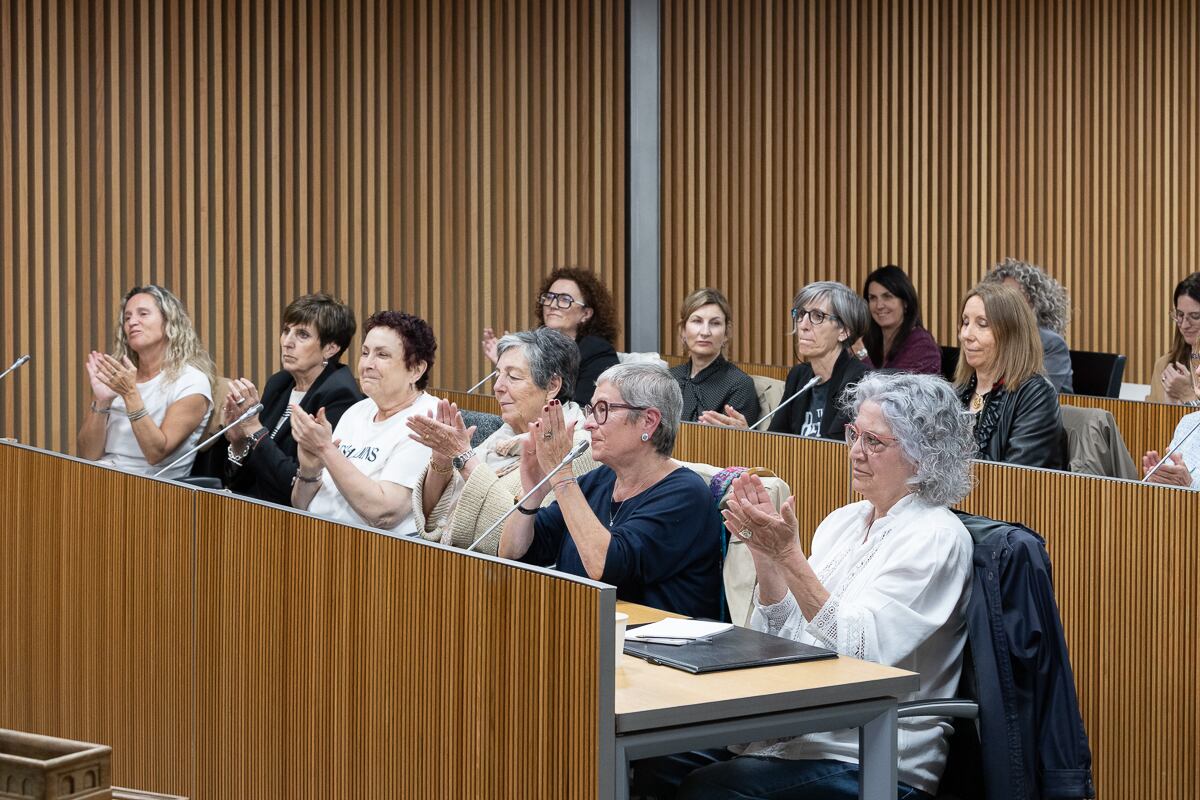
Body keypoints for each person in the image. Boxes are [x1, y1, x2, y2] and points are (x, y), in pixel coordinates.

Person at [640, 372, 975, 800]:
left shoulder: (936, 537)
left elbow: (863, 654)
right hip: (795, 732)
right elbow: (783, 636)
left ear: (923, 454)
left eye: (874, 442)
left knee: (709, 790)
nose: (855, 452)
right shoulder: (845, 521)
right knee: (656, 756)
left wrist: (789, 557)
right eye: (855, 434)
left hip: (871, 753)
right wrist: (765, 557)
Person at [497, 363, 722, 618]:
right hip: (587, 633)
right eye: (591, 410)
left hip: (656, 651)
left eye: (603, 410)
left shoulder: (685, 495)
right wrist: (532, 494)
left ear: (648, 421)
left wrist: (561, 477)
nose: (589, 424)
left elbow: (605, 567)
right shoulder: (600, 480)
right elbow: (513, 553)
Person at [408, 328, 598, 552]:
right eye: (498, 374)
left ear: (552, 386)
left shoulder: (577, 447)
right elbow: (433, 523)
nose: (497, 387)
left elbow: (517, 538)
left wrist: (465, 459)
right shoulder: (500, 438)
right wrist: (441, 462)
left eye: (513, 377)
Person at [290, 311, 440, 537]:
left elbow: (384, 514)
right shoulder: (357, 410)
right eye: (365, 353)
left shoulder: (428, 419)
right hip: (314, 536)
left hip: (371, 552)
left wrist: (325, 450)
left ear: (416, 370)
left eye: (382, 355)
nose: (367, 364)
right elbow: (300, 505)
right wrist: (310, 470)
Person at [218, 294, 362, 506]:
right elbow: (242, 480)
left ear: (331, 348)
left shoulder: (339, 396)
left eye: (302, 335)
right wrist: (239, 442)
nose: (287, 342)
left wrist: (254, 429)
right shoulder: (280, 383)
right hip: (253, 508)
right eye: (286, 331)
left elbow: (297, 484)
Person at [77, 285, 215, 479]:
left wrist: (130, 394)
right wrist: (102, 400)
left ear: (169, 322)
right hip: (100, 479)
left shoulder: (191, 381)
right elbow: (88, 455)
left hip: (148, 492)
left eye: (143, 314)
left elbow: (156, 453)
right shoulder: (120, 377)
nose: (132, 322)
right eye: (127, 317)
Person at [956, 282, 1066, 469]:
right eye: (965, 322)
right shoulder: (958, 391)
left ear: (1011, 334)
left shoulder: (1036, 394)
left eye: (982, 324)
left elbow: (1013, 479)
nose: (966, 334)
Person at [481, 266, 620, 405]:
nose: (553, 305)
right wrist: (508, 362)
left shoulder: (598, 351)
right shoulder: (535, 348)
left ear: (586, 314)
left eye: (565, 299)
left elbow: (584, 406)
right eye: (549, 297)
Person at [667, 287, 761, 426]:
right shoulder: (668, 378)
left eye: (715, 323)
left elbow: (741, 442)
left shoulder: (739, 385)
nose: (705, 332)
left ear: (726, 334)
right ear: (683, 331)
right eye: (697, 321)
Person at [981, 257, 1074, 393]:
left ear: (1033, 305)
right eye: (999, 298)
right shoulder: (987, 338)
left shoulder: (1050, 344)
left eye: (1014, 298)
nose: (1003, 305)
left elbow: (1038, 394)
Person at [856, 264, 941, 374]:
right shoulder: (869, 339)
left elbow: (890, 389)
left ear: (905, 303)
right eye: (872, 298)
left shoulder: (922, 345)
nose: (879, 305)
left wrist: (860, 352)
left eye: (887, 297)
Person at [1148, 273, 1200, 405]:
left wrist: (1188, 395)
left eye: (1194, 316)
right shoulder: (1164, 365)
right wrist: (1169, 404)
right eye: (1180, 315)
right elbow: (1151, 422)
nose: (1184, 325)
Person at [1142, 409, 1200, 489]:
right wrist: (1161, 477)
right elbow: (1174, 477)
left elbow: (1186, 483)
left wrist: (1191, 485)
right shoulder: (1188, 421)